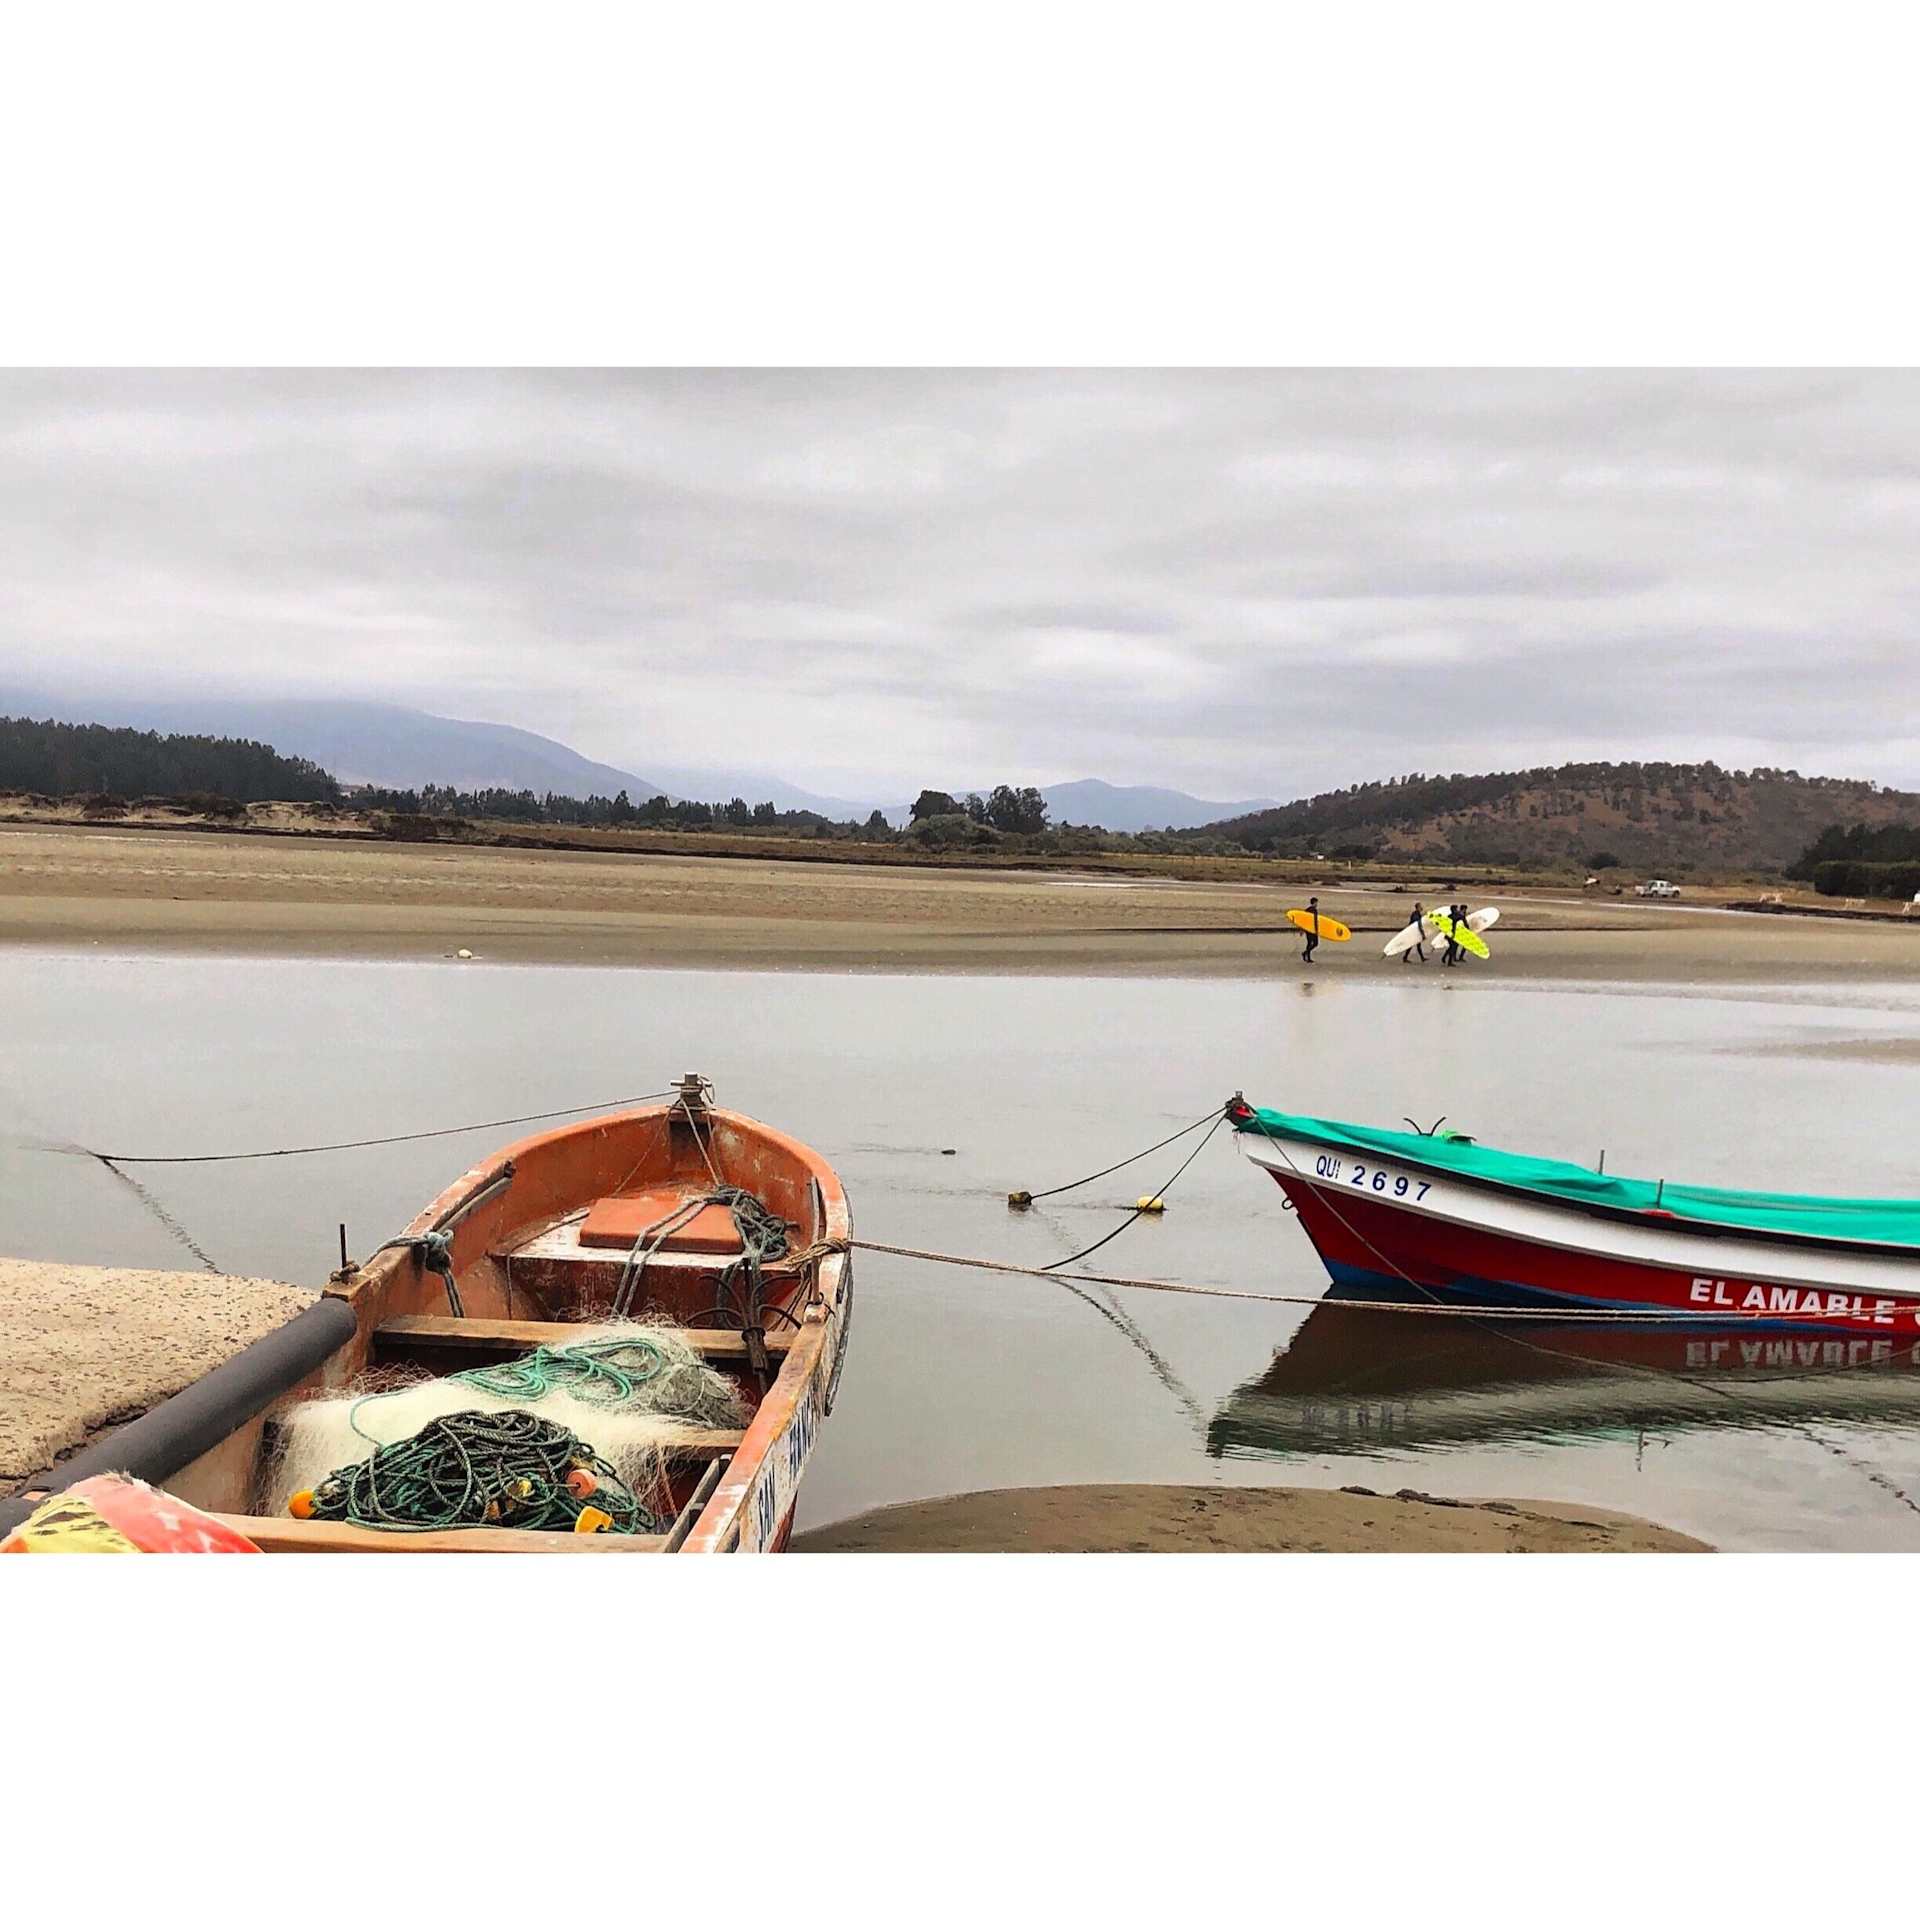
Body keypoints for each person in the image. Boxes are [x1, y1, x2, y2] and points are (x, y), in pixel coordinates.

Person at [1301, 895, 1321, 963]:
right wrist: (1302, 929)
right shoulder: (1311, 910)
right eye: (1316, 903)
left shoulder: (1311, 910)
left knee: (1312, 943)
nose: (1317, 904)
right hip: (1310, 929)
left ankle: (1306, 955)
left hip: (1311, 929)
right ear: (1314, 903)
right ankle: (1307, 956)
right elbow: (1306, 920)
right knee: (1313, 943)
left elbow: (1314, 920)